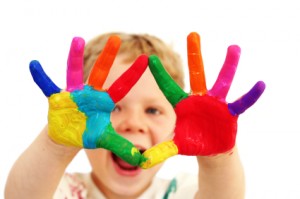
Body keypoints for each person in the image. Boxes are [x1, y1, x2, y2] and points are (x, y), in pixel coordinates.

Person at [5, 32, 264, 199]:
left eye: (153, 110)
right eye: (115, 107)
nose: (134, 124)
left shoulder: (179, 192)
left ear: (177, 124)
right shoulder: (63, 190)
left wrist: (217, 157)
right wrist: (56, 146)